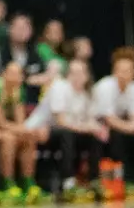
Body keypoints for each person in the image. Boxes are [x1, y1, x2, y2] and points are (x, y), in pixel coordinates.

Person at [27, 58, 101, 200]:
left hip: (71, 132)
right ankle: (68, 181)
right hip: (43, 129)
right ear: (68, 75)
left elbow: (90, 120)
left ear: (87, 75)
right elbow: (61, 121)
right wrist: (86, 128)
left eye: (81, 73)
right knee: (67, 134)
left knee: (94, 136)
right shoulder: (59, 87)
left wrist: (95, 128)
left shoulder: (89, 93)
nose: (77, 77)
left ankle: (93, 180)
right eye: (73, 73)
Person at [93, 46, 134, 195]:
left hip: (120, 124)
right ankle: (128, 180)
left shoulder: (133, 88)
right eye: (120, 70)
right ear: (114, 71)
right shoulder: (105, 86)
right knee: (121, 137)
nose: (124, 74)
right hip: (98, 126)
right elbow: (109, 119)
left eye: (128, 70)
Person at [0, 62, 44, 204]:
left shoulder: (18, 90)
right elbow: (0, 122)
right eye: (12, 73)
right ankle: (7, 183)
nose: (16, 77)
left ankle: (28, 182)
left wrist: (26, 131)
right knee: (8, 139)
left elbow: (20, 121)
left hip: (6, 127)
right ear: (3, 74)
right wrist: (23, 129)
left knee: (28, 137)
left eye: (19, 74)